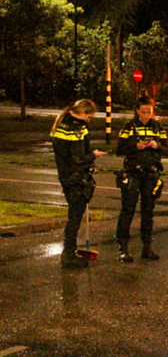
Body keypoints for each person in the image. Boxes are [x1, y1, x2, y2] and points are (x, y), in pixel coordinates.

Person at [50, 99, 108, 268]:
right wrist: (93, 155)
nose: (89, 120)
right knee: (74, 217)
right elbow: (77, 158)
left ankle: (69, 251)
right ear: (83, 114)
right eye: (89, 117)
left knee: (73, 216)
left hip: (66, 176)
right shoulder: (76, 128)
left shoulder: (62, 123)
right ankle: (68, 253)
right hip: (76, 178)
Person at [115, 94, 168, 262]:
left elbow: (167, 150)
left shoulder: (157, 127)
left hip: (150, 174)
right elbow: (119, 149)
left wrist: (156, 145)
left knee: (148, 212)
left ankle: (147, 247)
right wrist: (135, 146)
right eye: (144, 112)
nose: (147, 115)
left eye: (149, 112)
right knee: (128, 211)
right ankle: (123, 248)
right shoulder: (129, 126)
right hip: (133, 173)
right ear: (137, 111)